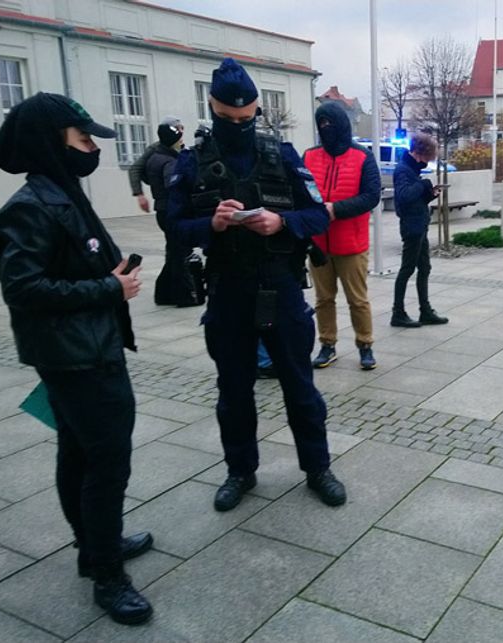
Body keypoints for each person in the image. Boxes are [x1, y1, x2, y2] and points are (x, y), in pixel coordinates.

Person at [0, 93, 153, 625]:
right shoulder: (27, 207)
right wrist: (107, 288)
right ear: (51, 140)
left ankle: (95, 547)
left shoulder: (62, 194)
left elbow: (72, 268)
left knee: (80, 454)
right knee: (106, 462)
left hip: (90, 346)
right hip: (74, 357)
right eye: (83, 139)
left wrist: (109, 276)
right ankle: (106, 574)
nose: (92, 149)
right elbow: (24, 288)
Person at [166, 58, 346, 511]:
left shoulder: (281, 154)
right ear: (211, 107)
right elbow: (172, 226)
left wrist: (280, 221)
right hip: (228, 290)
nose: (237, 125)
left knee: (300, 387)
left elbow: (315, 214)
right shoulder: (191, 162)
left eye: (246, 119)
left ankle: (318, 467)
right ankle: (240, 471)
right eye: (227, 118)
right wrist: (214, 223)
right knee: (234, 391)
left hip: (281, 287)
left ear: (257, 111)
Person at [303, 102, 382, 370]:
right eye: (321, 125)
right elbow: (300, 192)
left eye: (330, 124)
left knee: (357, 299)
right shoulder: (310, 156)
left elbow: (371, 196)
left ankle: (365, 345)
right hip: (319, 244)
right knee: (323, 300)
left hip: (351, 243)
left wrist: (336, 209)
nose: (326, 129)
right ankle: (327, 344)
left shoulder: (362, 157)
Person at [141, 117, 201, 307]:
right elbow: (173, 185)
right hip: (171, 211)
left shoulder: (155, 157)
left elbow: (144, 175)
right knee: (181, 253)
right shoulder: (169, 161)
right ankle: (183, 295)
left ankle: (164, 293)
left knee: (174, 252)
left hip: (162, 209)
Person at [391, 132, 448, 328]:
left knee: (424, 268)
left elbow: (414, 200)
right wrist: (423, 184)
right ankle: (397, 313)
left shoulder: (411, 170)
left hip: (419, 224)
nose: (427, 161)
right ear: (419, 153)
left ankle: (425, 311)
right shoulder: (403, 170)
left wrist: (429, 194)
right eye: (426, 157)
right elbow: (404, 197)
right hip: (412, 227)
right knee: (407, 269)